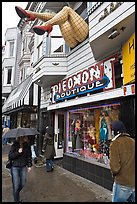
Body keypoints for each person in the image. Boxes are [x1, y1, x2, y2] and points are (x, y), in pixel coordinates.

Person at [15, 5, 88, 48]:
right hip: (73, 39)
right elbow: (56, 18)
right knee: (59, 18)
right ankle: (35, 16)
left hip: (81, 36)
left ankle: (38, 18)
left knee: (66, 9)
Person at [109, 120, 135, 202]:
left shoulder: (115, 144)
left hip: (123, 182)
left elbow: (115, 167)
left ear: (114, 131)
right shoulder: (133, 141)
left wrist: (114, 174)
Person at [8, 136, 32, 202]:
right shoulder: (15, 145)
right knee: (16, 186)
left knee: (23, 183)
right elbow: (10, 156)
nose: (25, 138)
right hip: (15, 167)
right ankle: (16, 199)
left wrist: (29, 165)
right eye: (24, 137)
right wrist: (18, 152)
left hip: (23, 166)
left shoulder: (27, 146)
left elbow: (29, 156)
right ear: (20, 138)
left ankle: (16, 193)